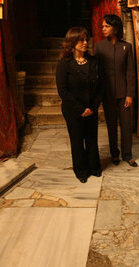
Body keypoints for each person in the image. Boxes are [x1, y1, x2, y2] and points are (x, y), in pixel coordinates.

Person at [56, 27, 103, 183]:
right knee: (77, 140)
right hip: (72, 110)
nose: (85, 42)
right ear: (72, 42)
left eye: (86, 39)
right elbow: (63, 91)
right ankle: (81, 171)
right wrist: (81, 109)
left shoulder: (93, 61)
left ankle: (94, 167)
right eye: (81, 40)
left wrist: (93, 107)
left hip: (91, 108)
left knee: (91, 139)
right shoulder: (64, 64)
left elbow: (101, 86)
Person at [94, 14, 137, 167]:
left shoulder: (127, 47)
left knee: (126, 125)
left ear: (115, 27)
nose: (103, 29)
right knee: (111, 125)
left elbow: (130, 72)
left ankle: (128, 155)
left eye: (106, 26)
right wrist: (98, 96)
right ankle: (114, 154)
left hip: (124, 94)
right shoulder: (99, 47)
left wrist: (130, 94)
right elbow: (97, 73)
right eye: (103, 26)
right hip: (107, 94)